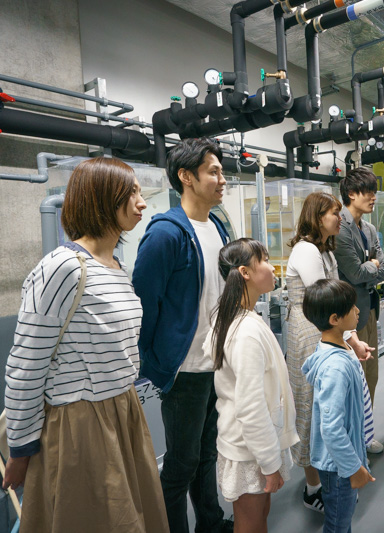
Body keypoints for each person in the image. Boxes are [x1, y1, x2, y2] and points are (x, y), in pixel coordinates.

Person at [2, 157, 168, 533]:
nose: (142, 203)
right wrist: (21, 448)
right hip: (81, 426)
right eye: (132, 193)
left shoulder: (115, 266)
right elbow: (25, 367)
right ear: (101, 198)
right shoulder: (62, 268)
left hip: (124, 414)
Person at [133, 138, 232, 533]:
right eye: (213, 171)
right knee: (180, 463)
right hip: (186, 370)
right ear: (186, 177)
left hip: (215, 363)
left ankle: (209, 522)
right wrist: (158, 366)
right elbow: (144, 305)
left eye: (221, 171)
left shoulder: (218, 225)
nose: (221, 179)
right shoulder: (165, 234)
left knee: (207, 453)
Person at [285, 192, 374, 512]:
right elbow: (326, 303)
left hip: (326, 330)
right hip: (310, 334)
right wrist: (350, 339)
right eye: (334, 213)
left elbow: (336, 306)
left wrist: (351, 338)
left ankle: (338, 474)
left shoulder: (326, 249)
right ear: (317, 217)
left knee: (331, 406)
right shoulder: (307, 250)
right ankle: (314, 487)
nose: (340, 218)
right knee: (311, 408)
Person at [203, 238, 299, 533]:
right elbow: (251, 406)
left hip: (256, 446)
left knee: (259, 517)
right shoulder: (244, 332)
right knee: (251, 523)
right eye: (266, 260)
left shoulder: (241, 318)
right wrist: (270, 462)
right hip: (250, 450)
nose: (272, 268)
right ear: (245, 272)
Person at [302, 279, 376, 533]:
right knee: (337, 524)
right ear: (335, 319)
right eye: (352, 308)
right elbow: (332, 429)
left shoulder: (338, 348)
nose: (357, 311)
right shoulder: (336, 367)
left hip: (343, 460)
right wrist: (353, 468)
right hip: (339, 468)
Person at [333, 168, 384, 455]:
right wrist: (374, 265)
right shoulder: (339, 226)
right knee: (353, 380)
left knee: (372, 375)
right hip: (347, 315)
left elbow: (383, 265)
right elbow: (353, 272)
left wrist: (375, 265)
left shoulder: (369, 228)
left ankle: (365, 433)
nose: (373, 197)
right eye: (368, 192)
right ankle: (351, 439)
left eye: (374, 192)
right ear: (351, 194)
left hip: (368, 309)